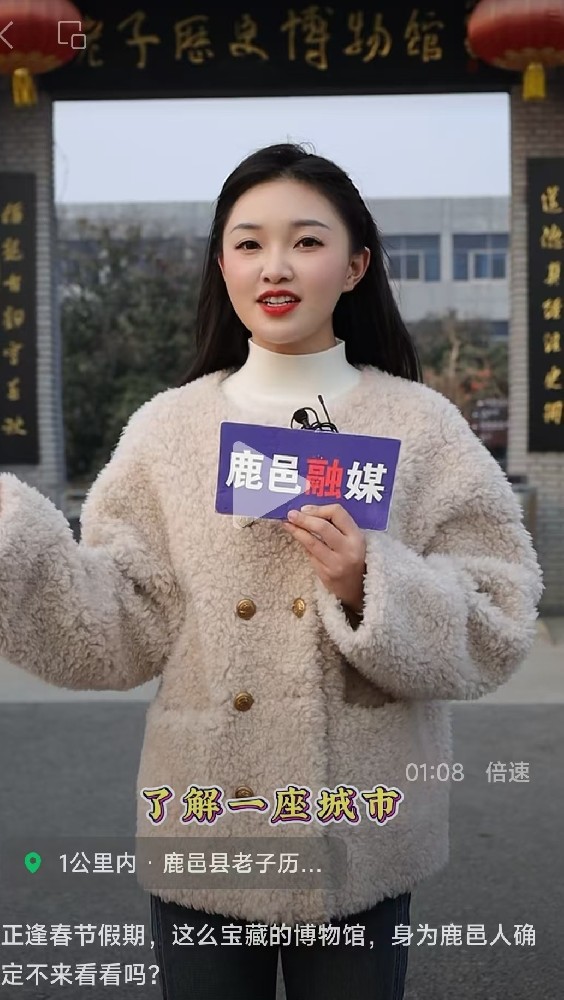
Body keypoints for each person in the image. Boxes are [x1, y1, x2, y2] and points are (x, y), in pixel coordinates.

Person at [0, 143, 543, 1000]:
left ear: (356, 265)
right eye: (248, 243)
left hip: (358, 829)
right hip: (208, 814)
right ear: (222, 264)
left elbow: (501, 610)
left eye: (307, 241)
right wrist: (17, 545)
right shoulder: (168, 429)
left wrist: (372, 583)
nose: (275, 266)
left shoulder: (421, 425)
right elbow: (120, 623)